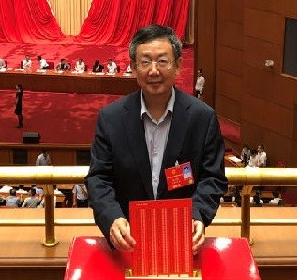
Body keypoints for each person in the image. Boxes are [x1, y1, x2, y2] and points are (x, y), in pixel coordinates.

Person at [85, 24, 227, 254]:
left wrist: (197, 215)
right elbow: (98, 178)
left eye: (162, 61)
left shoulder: (202, 118)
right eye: (145, 62)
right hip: (128, 242)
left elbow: (213, 177)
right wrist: (112, 219)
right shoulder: (111, 118)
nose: (153, 71)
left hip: (182, 241)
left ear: (178, 65)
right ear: (133, 67)